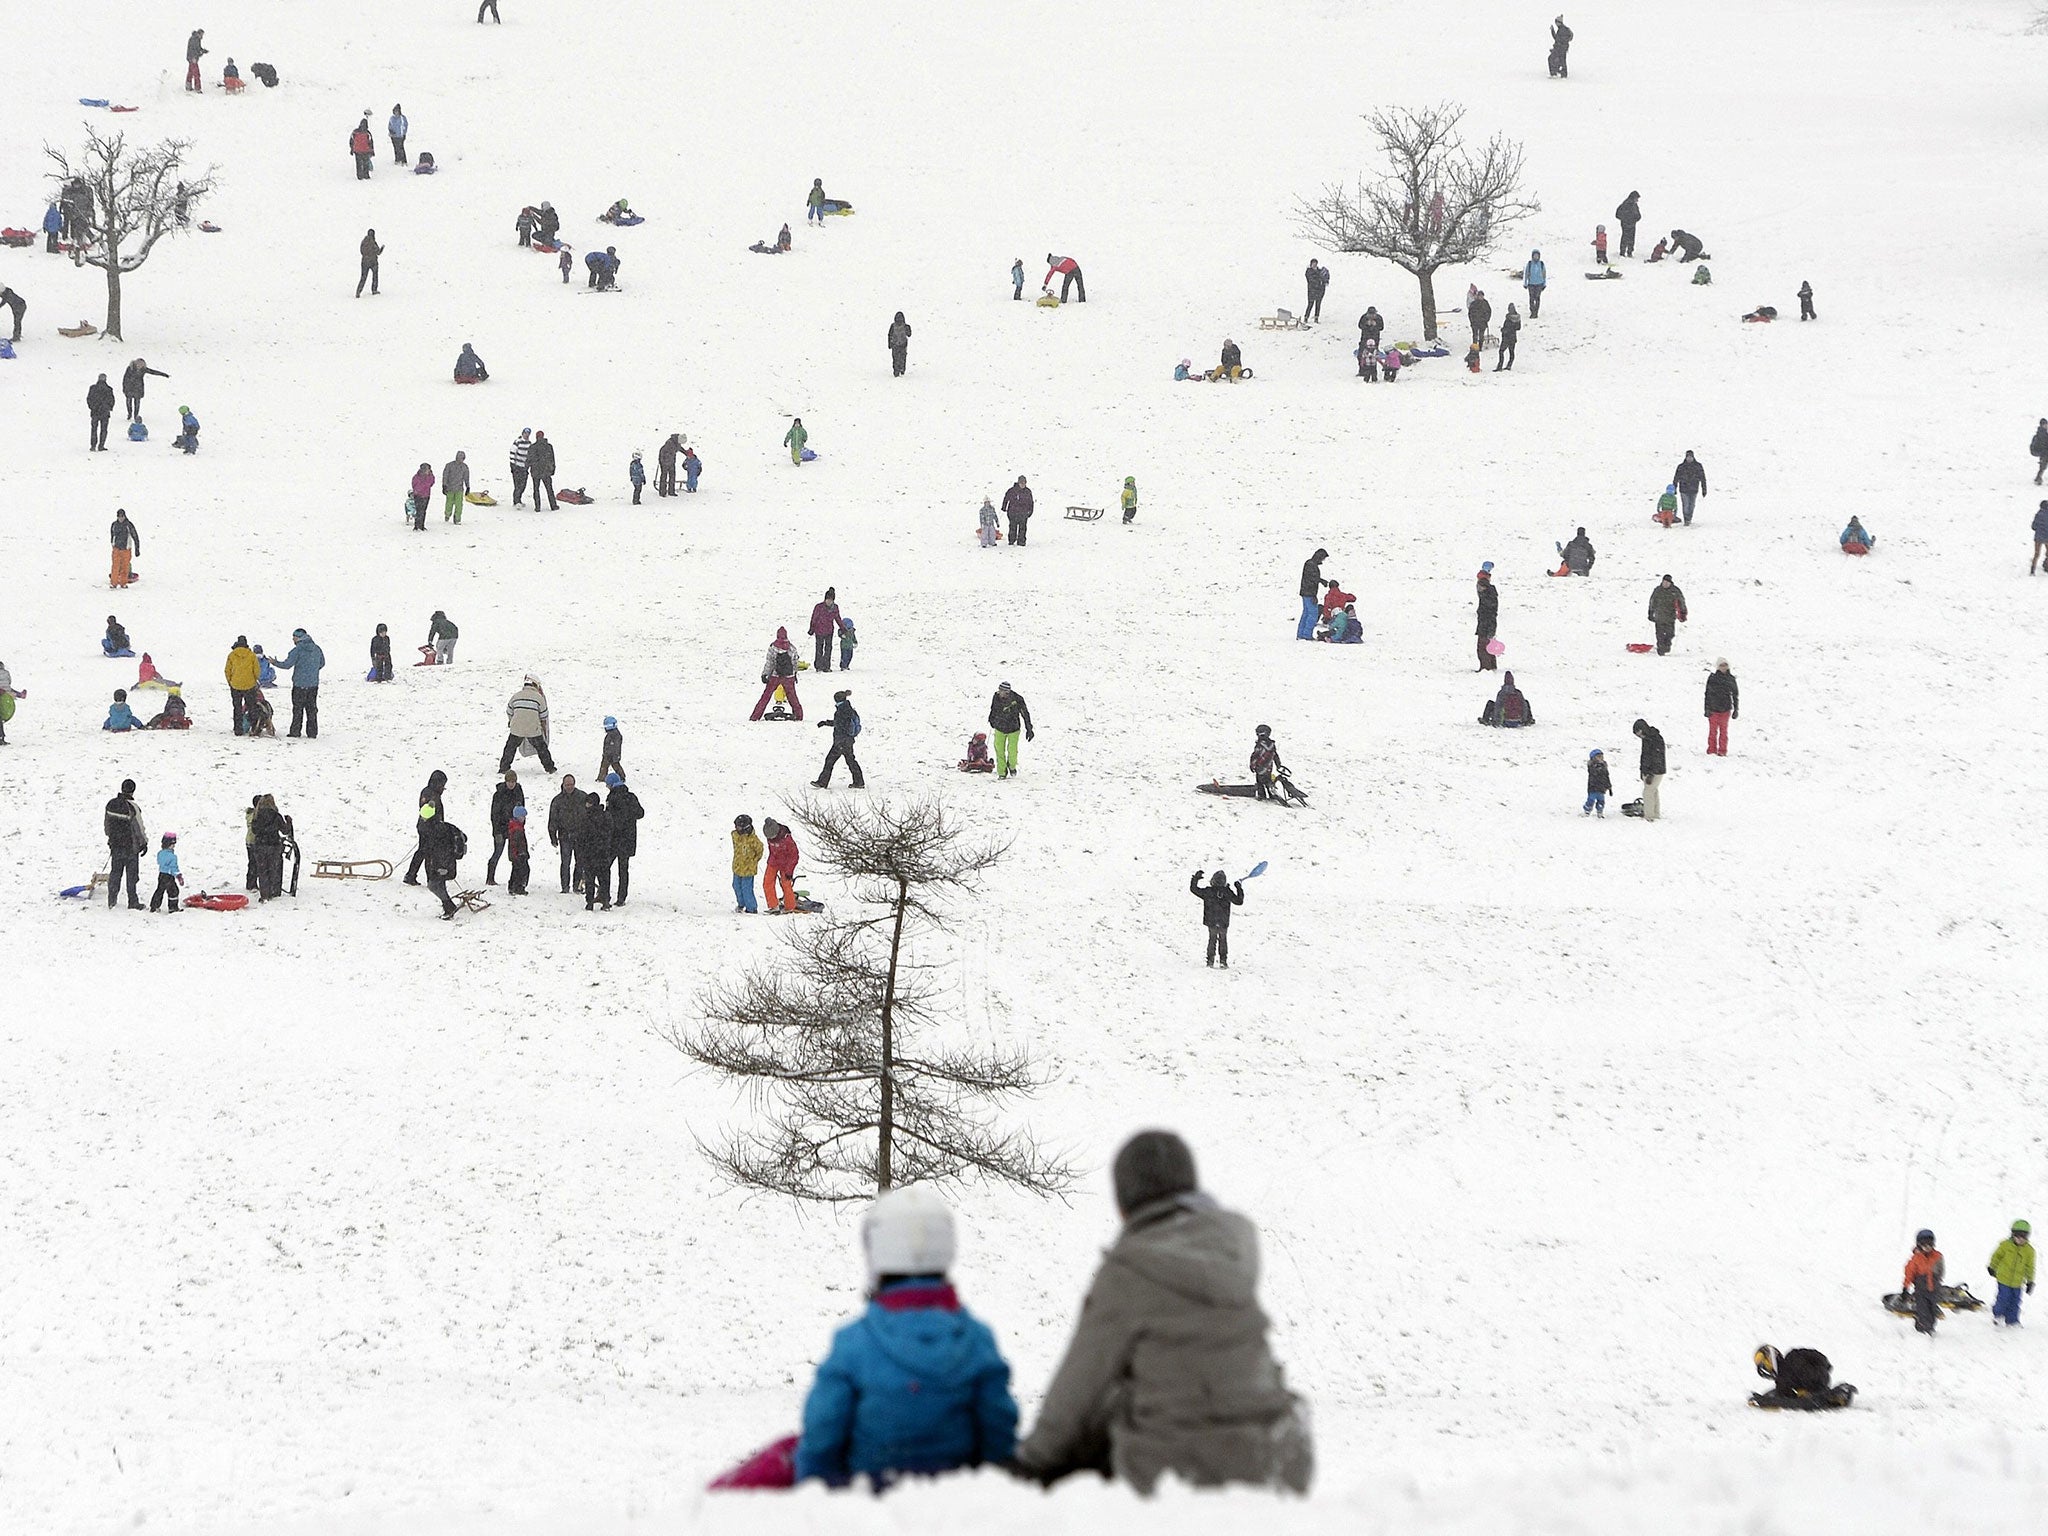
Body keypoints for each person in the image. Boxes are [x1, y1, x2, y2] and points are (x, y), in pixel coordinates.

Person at [1015, 1130, 1311, 1492]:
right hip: (1276, 1456)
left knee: (1097, 1425)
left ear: (1124, 1204)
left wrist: (1032, 1460)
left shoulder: (1128, 1270)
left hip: (1178, 1470)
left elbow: (1079, 1388)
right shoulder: (1234, 1252)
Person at [794, 1184, 1018, 1489]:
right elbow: (999, 1438)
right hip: (956, 1503)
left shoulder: (853, 1344)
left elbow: (821, 1438)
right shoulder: (978, 1341)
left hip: (868, 1503)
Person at [105, 778, 147, 908]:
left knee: (115, 873)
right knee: (132, 876)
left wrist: (111, 838)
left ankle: (112, 899)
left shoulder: (111, 804)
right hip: (130, 848)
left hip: (116, 846)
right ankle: (132, 902)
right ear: (133, 791)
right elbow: (139, 828)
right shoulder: (132, 808)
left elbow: (107, 826)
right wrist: (144, 843)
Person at [402, 770, 449, 885]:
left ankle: (412, 875)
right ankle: (427, 878)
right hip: (429, 828)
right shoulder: (431, 795)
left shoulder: (429, 792)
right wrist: (437, 823)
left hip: (425, 827)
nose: (443, 788)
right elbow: (427, 813)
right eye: (442, 785)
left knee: (424, 852)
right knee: (428, 853)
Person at [1190, 870, 1244, 968]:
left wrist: (1196, 878)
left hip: (1211, 920)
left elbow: (1194, 889)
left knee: (1212, 939)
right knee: (1223, 940)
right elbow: (1239, 901)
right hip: (1223, 921)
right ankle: (1223, 961)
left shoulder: (1208, 891)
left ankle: (1210, 961)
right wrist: (1238, 888)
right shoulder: (1227, 892)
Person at [418, 804, 464, 920]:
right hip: (444, 862)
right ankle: (447, 907)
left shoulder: (434, 831)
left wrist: (440, 866)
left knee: (433, 885)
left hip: (442, 863)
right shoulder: (443, 826)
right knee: (439, 884)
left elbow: (439, 850)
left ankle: (449, 906)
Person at [501, 675, 555, 772]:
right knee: (542, 749)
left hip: (517, 729)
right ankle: (549, 767)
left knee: (510, 748)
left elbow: (509, 711)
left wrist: (512, 721)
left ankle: (503, 767)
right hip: (533, 729)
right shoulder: (539, 698)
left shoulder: (516, 696)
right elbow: (544, 715)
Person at [278, 627, 325, 738]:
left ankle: (295, 731)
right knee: (311, 709)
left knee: (298, 709)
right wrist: (312, 670)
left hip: (299, 684)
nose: (292, 640)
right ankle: (312, 732)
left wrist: (274, 662)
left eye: (293, 637)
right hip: (313, 684)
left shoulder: (297, 650)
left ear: (298, 638)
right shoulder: (316, 648)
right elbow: (322, 663)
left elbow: (287, 665)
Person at [605, 773, 644, 903]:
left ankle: (604, 893)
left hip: (614, 838)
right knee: (623, 870)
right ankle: (621, 897)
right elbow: (640, 813)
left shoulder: (612, 798)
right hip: (628, 839)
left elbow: (609, 818)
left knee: (605, 867)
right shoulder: (631, 797)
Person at [1989, 1221, 2035, 1328]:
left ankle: (2012, 1320)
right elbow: (1996, 1256)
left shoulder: (2029, 1251)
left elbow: (2030, 1267)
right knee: (2003, 1298)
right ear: (2012, 1235)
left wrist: (2030, 1281)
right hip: (2004, 1279)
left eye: (2023, 1236)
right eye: (2017, 1236)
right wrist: (1992, 1267)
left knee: (2015, 1301)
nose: (2020, 1239)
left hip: (2018, 1282)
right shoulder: (2005, 1245)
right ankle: (1998, 1315)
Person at [815, 690, 865, 789]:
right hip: (848, 740)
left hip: (842, 741)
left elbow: (840, 724)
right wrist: (826, 722)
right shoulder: (848, 708)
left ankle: (822, 782)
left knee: (830, 760)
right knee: (850, 761)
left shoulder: (842, 710)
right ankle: (859, 782)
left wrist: (826, 723)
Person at [752, 627, 802, 720]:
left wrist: (765, 674)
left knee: (766, 697)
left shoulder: (773, 647)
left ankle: (755, 716)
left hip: (775, 676)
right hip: (788, 676)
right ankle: (799, 715)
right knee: (792, 697)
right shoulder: (791, 647)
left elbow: (769, 663)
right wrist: (794, 674)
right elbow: (795, 662)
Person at [986, 682, 1034, 780]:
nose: (999, 693)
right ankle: (1002, 772)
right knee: (999, 750)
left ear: (1007, 692)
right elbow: (993, 709)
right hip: (999, 727)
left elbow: (1025, 713)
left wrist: (1029, 728)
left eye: (1001, 691)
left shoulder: (1017, 699)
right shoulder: (996, 697)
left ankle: (1012, 766)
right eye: (999, 690)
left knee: (1012, 751)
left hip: (1013, 728)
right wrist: (991, 720)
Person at [486, 770, 524, 884]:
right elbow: (494, 814)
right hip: (501, 828)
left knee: (516, 855)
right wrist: (497, 832)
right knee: (498, 852)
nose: (511, 784)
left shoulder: (518, 792)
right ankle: (490, 877)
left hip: (515, 827)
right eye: (509, 782)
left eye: (513, 782)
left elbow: (521, 809)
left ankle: (515, 880)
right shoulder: (499, 794)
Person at [1903, 1229, 1944, 1336]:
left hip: (1934, 1289)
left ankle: (1930, 1326)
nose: (1927, 1247)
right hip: (1921, 1290)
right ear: (1919, 1244)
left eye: (1929, 1244)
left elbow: (1941, 1270)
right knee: (1923, 1310)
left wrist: (1937, 1281)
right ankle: (1922, 1328)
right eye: (1924, 1244)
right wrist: (1906, 1287)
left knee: (1933, 1311)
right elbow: (1909, 1273)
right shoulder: (1916, 1258)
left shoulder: (1938, 1256)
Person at [578, 790, 614, 911]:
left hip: (590, 853)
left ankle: (590, 901)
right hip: (603, 852)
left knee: (590, 879)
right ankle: (605, 900)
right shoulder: (605, 815)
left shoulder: (586, 817)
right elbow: (609, 833)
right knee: (604, 878)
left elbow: (582, 836)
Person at [548, 774, 584, 893]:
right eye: (567, 785)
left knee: (580, 862)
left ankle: (577, 885)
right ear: (563, 785)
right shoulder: (557, 800)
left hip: (579, 836)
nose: (569, 787)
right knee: (565, 862)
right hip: (564, 836)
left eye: (571, 784)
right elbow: (553, 819)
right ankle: (565, 886)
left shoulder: (582, 797)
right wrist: (552, 836)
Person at [763, 817, 800, 914]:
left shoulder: (787, 839)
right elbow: (771, 851)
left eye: (772, 837)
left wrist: (789, 871)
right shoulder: (770, 836)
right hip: (773, 862)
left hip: (786, 864)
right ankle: (773, 906)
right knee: (767, 882)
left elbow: (794, 856)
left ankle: (790, 906)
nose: (770, 839)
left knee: (786, 884)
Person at [225, 635, 260, 735]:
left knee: (237, 707)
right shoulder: (251, 655)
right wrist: (255, 680)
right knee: (251, 706)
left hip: (235, 685)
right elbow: (257, 670)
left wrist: (230, 682)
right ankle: (254, 728)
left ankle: (238, 729)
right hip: (249, 685)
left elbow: (227, 670)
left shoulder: (232, 655)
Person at [1633, 718, 1666, 822]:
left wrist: (1650, 773)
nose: (1639, 736)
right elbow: (1645, 757)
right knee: (1653, 791)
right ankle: (1655, 813)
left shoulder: (1655, 739)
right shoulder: (1647, 738)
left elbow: (1656, 757)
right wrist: (1642, 771)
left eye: (1639, 733)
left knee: (1648, 792)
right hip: (1650, 770)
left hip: (1655, 771)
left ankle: (1649, 815)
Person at [1704, 660, 1738, 755]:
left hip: (1726, 709)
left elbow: (1735, 695)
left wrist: (1736, 709)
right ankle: (1711, 750)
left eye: (1725, 665)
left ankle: (1722, 750)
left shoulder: (1730, 679)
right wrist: (1706, 708)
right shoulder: (1712, 678)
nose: (1723, 667)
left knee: (1723, 732)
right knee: (1712, 732)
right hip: (1713, 709)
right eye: (1721, 665)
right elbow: (1707, 694)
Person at [1648, 574, 1688, 655]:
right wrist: (1651, 612)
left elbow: (1681, 602)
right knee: (1660, 634)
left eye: (1667, 582)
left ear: (1670, 583)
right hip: (1659, 616)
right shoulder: (1658, 590)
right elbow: (1652, 601)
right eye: (1664, 582)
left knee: (1670, 634)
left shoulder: (1675, 591)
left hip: (1670, 616)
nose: (1665, 584)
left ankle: (1666, 647)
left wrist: (1683, 613)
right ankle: (1661, 649)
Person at [731, 814, 763, 913]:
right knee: (736, 886)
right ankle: (741, 903)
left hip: (748, 869)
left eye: (739, 826)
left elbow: (759, 851)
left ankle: (751, 908)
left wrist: (753, 861)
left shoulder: (753, 840)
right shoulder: (735, 835)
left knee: (747, 889)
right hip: (737, 867)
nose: (736, 828)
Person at [1297, 548, 1330, 640]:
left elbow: (1312, 578)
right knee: (1313, 614)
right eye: (1323, 558)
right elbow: (1311, 581)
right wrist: (1313, 595)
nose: (1323, 560)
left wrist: (1321, 580)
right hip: (1309, 593)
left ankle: (1301, 634)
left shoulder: (1309, 564)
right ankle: (1306, 635)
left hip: (1305, 592)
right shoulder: (1312, 565)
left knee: (1306, 613)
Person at [121, 358, 167, 423]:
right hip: (129, 387)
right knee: (129, 402)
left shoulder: (143, 370)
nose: (139, 366)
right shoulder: (130, 368)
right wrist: (124, 387)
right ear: (135, 363)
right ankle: (129, 413)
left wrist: (163, 374)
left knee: (137, 403)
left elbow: (153, 372)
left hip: (138, 388)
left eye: (141, 365)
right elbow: (125, 378)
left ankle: (136, 415)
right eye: (138, 364)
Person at [1250, 724, 1288, 800]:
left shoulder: (1259, 745)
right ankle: (1271, 794)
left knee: (1260, 782)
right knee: (1268, 780)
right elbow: (1275, 755)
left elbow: (1255, 755)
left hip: (1260, 767)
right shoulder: (1272, 744)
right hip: (1268, 767)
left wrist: (1252, 765)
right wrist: (1278, 765)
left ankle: (1262, 796)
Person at [809, 588, 841, 673]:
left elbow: (838, 619)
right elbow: (814, 618)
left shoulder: (835, 608)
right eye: (827, 599)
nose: (829, 602)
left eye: (831, 600)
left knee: (828, 648)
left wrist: (843, 628)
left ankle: (826, 666)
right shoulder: (819, 607)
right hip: (819, 630)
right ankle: (818, 666)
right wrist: (811, 628)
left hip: (829, 631)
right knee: (819, 648)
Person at [151, 833, 184, 913]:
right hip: (169, 876)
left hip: (161, 875)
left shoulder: (160, 853)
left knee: (160, 890)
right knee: (173, 891)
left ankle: (154, 906)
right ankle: (173, 907)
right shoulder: (173, 857)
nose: (174, 846)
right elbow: (174, 868)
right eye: (172, 844)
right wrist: (179, 876)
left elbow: (160, 863)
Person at [109, 508, 141, 588]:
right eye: (119, 516)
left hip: (126, 550)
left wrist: (137, 549)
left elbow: (135, 536)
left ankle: (123, 583)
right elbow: (112, 535)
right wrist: (113, 544)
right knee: (115, 567)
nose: (121, 518)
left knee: (125, 567)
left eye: (122, 516)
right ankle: (114, 583)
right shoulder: (114, 525)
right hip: (116, 549)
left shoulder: (129, 525)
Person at [1674, 450, 1707, 524]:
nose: (1689, 459)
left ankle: (1689, 518)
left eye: (1690, 457)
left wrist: (1704, 489)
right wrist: (1674, 487)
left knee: (1691, 505)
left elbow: (1703, 478)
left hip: (1694, 489)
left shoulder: (1698, 466)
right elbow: (1676, 478)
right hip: (1683, 489)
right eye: (1688, 457)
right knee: (1685, 505)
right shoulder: (1681, 467)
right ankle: (1686, 519)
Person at [1475, 569, 1499, 671]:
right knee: (1489, 645)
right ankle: (1491, 665)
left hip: (1485, 623)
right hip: (1490, 622)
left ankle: (1486, 667)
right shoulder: (1491, 592)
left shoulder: (1485, 594)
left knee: (1483, 647)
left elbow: (1486, 609)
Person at [527, 430, 557, 508]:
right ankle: (553, 506)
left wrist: (527, 468)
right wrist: (553, 469)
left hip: (535, 472)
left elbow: (529, 459)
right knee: (549, 490)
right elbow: (552, 459)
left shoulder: (532, 447)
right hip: (546, 471)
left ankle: (537, 507)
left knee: (536, 490)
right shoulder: (549, 446)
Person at [505, 806, 531, 895]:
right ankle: (519, 887)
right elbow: (516, 843)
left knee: (516, 870)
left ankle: (512, 886)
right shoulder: (517, 829)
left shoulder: (517, 827)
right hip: (518, 854)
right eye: (522, 817)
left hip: (518, 854)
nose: (524, 819)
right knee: (522, 871)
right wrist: (519, 853)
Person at [1001, 477, 1034, 547]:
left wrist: (1030, 511)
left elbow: (1031, 502)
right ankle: (1011, 540)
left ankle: (1021, 541)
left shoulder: (1028, 492)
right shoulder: (1012, 491)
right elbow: (1006, 499)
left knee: (1023, 528)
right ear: (1018, 483)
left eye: (1024, 483)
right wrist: (1004, 507)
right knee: (1013, 527)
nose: (1023, 485)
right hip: (1013, 512)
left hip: (1023, 513)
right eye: (1021, 483)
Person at [442, 451, 470, 523]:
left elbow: (466, 477)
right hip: (450, 488)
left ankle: (457, 518)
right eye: (459, 457)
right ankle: (447, 514)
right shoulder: (449, 465)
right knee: (449, 503)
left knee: (459, 504)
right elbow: (445, 476)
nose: (460, 459)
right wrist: (444, 485)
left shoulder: (464, 467)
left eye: (462, 458)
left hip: (459, 489)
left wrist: (468, 487)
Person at [1583, 749, 1611, 817]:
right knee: (1591, 800)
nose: (1600, 758)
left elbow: (1606, 776)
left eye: (1601, 756)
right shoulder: (1592, 765)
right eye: (1598, 756)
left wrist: (1609, 785)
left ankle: (1600, 811)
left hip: (1602, 787)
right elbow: (1593, 772)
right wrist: (1598, 767)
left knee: (1601, 800)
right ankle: (1587, 810)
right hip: (1593, 787)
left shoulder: (1604, 766)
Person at [510, 428, 533, 506]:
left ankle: (519, 499)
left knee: (523, 485)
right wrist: (513, 466)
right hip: (517, 466)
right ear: (522, 433)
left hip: (525, 467)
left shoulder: (529, 443)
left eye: (528, 433)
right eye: (525, 433)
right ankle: (516, 501)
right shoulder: (517, 442)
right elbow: (512, 453)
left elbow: (530, 455)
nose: (526, 435)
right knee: (517, 485)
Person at [356, 229, 382, 297]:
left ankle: (358, 291)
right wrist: (381, 249)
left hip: (364, 262)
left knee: (363, 277)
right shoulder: (373, 242)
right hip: (373, 262)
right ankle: (374, 290)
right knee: (375, 276)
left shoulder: (364, 242)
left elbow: (361, 251)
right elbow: (378, 252)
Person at [597, 716, 624, 781]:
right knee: (605, 765)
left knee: (615, 766)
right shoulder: (611, 734)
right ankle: (601, 778)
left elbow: (616, 746)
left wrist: (615, 755)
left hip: (612, 755)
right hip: (608, 754)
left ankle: (622, 777)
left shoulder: (615, 735)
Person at [1615, 191, 1641, 258]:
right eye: (1636, 198)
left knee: (1630, 238)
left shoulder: (1634, 205)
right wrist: (1626, 219)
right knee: (1625, 238)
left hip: (1631, 224)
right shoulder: (1625, 205)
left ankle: (1629, 252)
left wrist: (1635, 219)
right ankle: (1623, 252)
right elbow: (1618, 214)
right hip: (1626, 225)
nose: (1637, 200)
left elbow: (1638, 215)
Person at [1496, 304, 1520, 370]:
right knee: (1511, 352)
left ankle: (1500, 365)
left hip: (1506, 338)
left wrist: (1504, 330)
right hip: (1513, 338)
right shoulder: (1517, 318)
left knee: (1501, 351)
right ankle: (1509, 365)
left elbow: (1507, 327)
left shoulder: (1509, 317)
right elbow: (1518, 328)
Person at [1303, 258, 1328, 323]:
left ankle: (1316, 318)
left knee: (1318, 304)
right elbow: (1310, 280)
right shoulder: (1309, 271)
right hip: (1312, 290)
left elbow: (1324, 278)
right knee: (1310, 304)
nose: (1314, 265)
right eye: (1313, 263)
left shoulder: (1320, 271)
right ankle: (1306, 317)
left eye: (1315, 263)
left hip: (1320, 291)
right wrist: (1319, 282)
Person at [887, 311, 912, 376]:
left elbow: (909, 334)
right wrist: (889, 344)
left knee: (899, 358)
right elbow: (890, 334)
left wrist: (889, 344)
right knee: (899, 358)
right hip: (898, 344)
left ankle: (899, 370)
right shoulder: (895, 326)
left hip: (900, 344)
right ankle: (899, 370)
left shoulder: (902, 326)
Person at [1523, 250, 1546, 318]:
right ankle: (1532, 311)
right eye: (1534, 255)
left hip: (1539, 283)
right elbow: (1526, 273)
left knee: (1537, 298)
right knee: (1531, 298)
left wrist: (1544, 283)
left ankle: (1536, 312)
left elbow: (1544, 274)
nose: (1536, 257)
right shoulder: (1529, 264)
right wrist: (1525, 283)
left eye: (1537, 255)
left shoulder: (1541, 264)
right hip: (1531, 284)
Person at [2032, 501, 2048, 575]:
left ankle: (2032, 570)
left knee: (2036, 554)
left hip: (2038, 537)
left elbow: (2033, 526)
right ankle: (2046, 566)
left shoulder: (2038, 515)